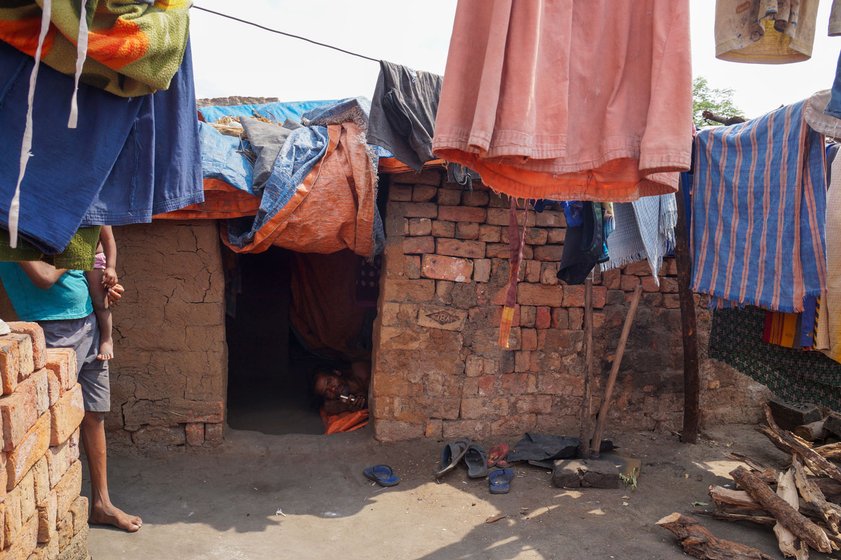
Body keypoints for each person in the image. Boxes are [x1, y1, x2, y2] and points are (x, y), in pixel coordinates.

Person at [0, 260, 142, 532]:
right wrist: (79, 251)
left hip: (89, 322)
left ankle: (102, 503)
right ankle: (56, 514)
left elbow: (86, 266)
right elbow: (44, 276)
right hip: (52, 329)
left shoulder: (54, 230)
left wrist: (103, 287)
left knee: (94, 414)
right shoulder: (14, 227)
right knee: (57, 422)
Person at [85, 225, 117, 361]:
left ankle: (106, 339)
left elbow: (109, 240)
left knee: (100, 303)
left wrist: (111, 267)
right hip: (65, 262)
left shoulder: (96, 209)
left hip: (93, 259)